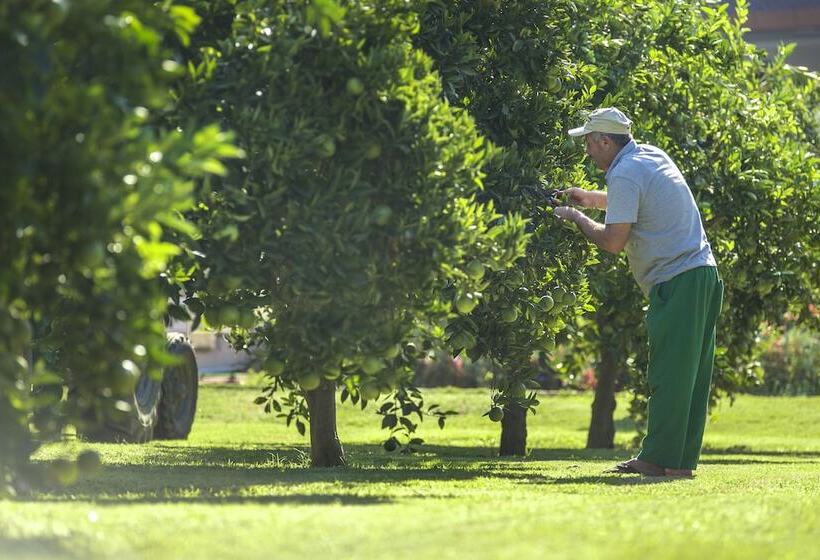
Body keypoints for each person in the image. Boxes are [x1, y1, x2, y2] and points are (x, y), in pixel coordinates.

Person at [553, 107, 724, 477]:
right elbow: (633, 200)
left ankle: (653, 460)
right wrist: (589, 198)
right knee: (690, 378)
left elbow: (614, 241)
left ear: (603, 140)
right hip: (703, 277)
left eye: (588, 143)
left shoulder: (625, 173)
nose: (587, 151)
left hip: (677, 280)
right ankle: (678, 464)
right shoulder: (649, 155)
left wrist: (577, 218)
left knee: (669, 374)